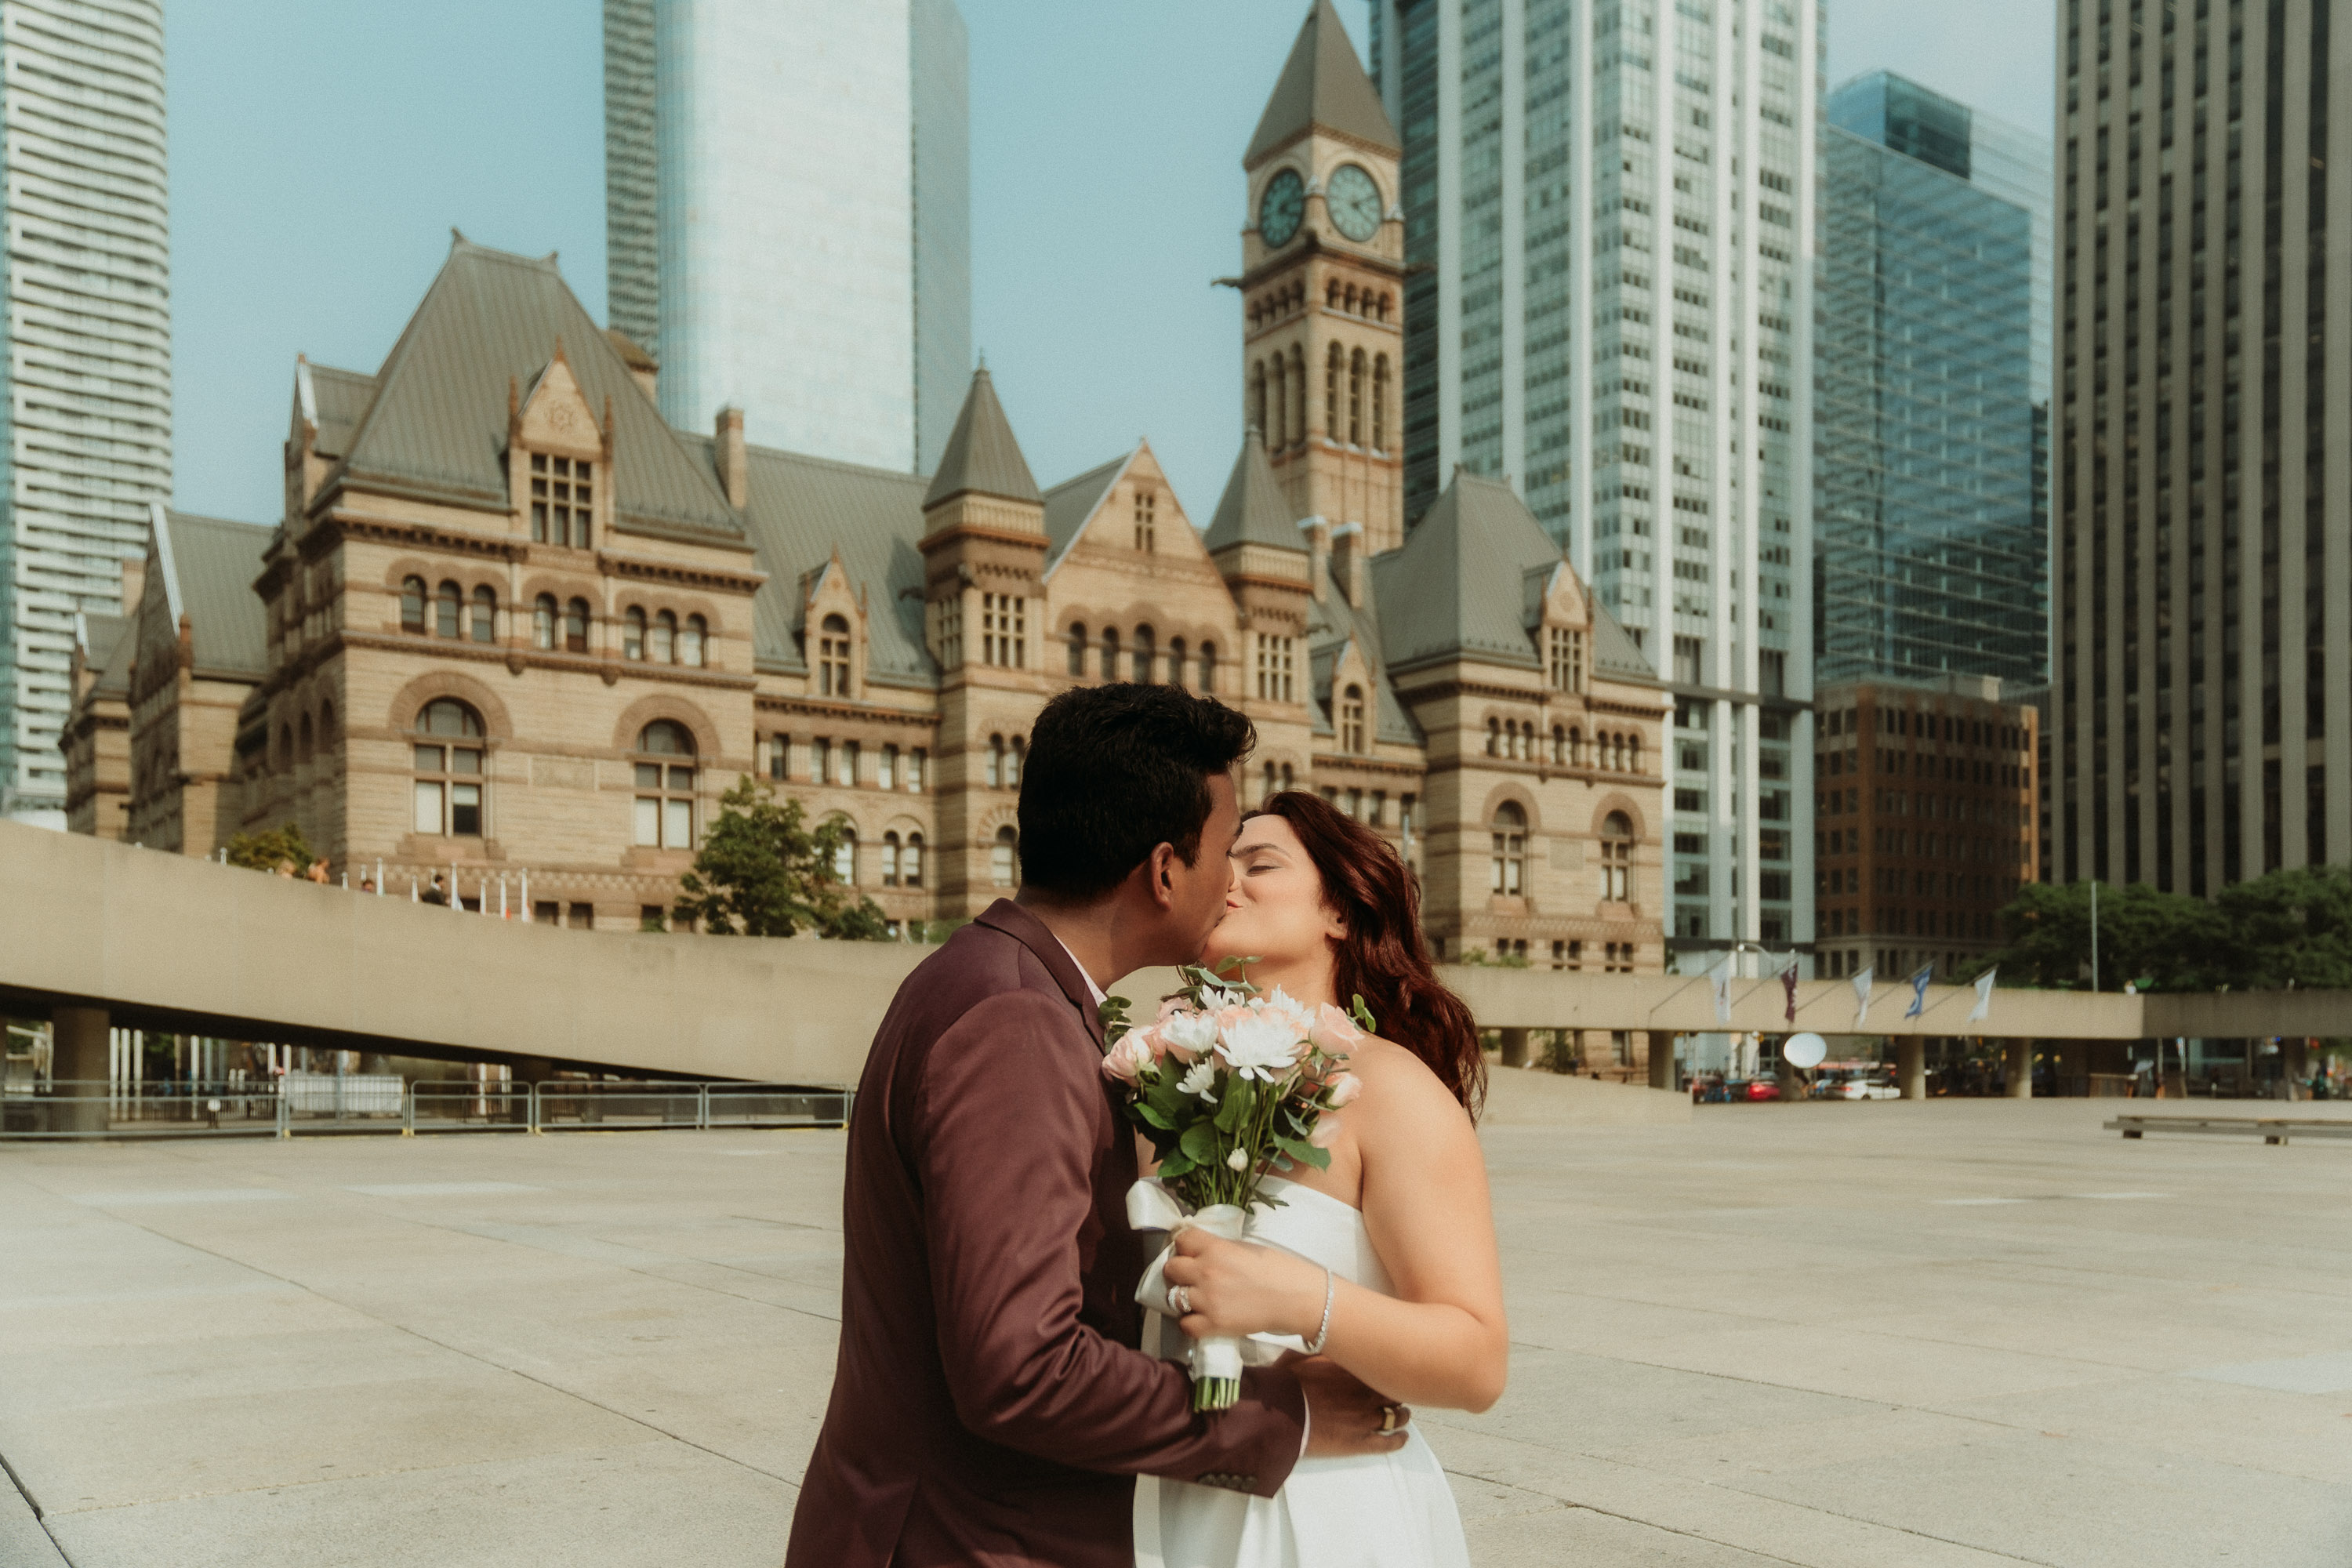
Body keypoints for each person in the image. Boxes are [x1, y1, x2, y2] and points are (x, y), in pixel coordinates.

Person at [786, 687, 1406, 1568]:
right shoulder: (1017, 1024)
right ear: (1163, 870)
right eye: (1225, 851)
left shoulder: (995, 982)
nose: (1231, 880)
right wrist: (1281, 1416)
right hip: (969, 1542)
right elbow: (1022, 1368)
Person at [1149, 789, 1506, 1568]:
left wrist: (1299, 1298)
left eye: (1260, 862)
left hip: (1326, 1513)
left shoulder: (1391, 1089)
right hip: (1173, 1501)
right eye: (1220, 861)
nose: (1226, 879)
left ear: (1341, 911)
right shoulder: (1167, 1079)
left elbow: (1477, 1358)